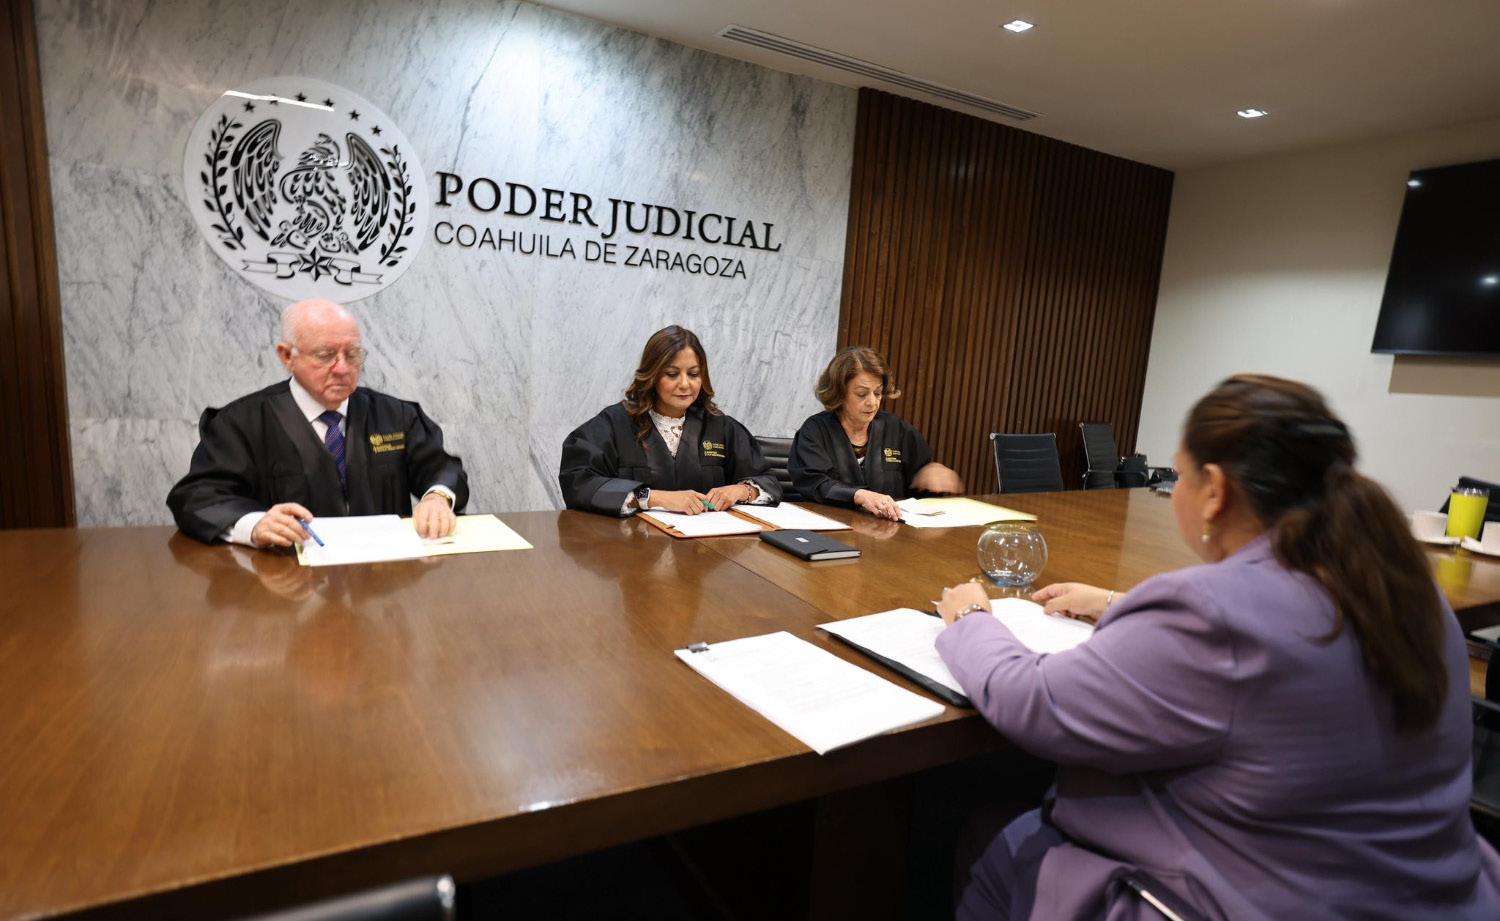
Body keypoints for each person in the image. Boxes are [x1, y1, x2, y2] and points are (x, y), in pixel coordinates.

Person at [934, 374, 1500, 920]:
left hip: (1261, 900)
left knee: (998, 839)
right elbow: (1280, 626)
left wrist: (971, 618)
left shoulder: (1210, 613)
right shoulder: (1403, 587)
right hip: (1433, 895)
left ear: (1215, 491)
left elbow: (1036, 702)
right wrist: (1113, 602)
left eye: (1179, 476)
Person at [167, 298, 467, 548]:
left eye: (353, 355)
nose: (342, 368)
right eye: (326, 355)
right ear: (287, 356)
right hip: (283, 582)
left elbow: (441, 468)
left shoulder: (395, 415)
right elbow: (198, 497)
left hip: (380, 581)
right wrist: (254, 524)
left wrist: (438, 497)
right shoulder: (241, 423)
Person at [559, 325, 780, 516]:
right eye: (672, 374)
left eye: (693, 374)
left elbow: (767, 480)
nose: (685, 384)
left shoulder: (719, 427)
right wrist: (654, 498)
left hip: (704, 546)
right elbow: (578, 482)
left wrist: (740, 491)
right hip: (634, 544)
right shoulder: (615, 424)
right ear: (652, 376)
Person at [788, 347, 962, 520]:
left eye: (877, 393)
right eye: (862, 394)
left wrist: (930, 475)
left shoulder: (897, 429)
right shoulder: (815, 431)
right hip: (832, 527)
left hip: (889, 530)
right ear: (840, 393)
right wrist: (859, 495)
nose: (872, 402)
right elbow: (814, 483)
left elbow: (919, 483)